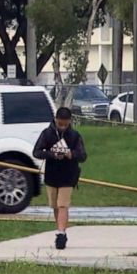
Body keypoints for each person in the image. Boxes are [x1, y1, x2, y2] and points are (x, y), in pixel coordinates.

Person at [33, 107, 87, 250]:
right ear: (55, 120)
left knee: (63, 204)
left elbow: (83, 156)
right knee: (55, 205)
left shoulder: (75, 136)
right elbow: (36, 152)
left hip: (68, 175)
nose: (62, 127)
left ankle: (61, 234)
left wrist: (71, 154)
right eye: (60, 124)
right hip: (51, 175)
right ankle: (60, 229)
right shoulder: (47, 134)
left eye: (65, 124)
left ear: (69, 121)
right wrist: (51, 154)